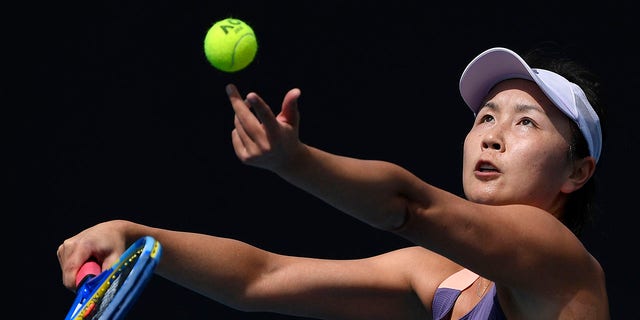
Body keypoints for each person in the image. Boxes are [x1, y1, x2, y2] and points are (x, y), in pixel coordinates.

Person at [57, 47, 611, 319]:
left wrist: (294, 162)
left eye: (526, 122)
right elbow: (261, 278)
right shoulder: (440, 277)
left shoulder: (560, 262)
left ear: (576, 172)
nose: (492, 136)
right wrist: (137, 237)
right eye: (485, 117)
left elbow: (407, 206)